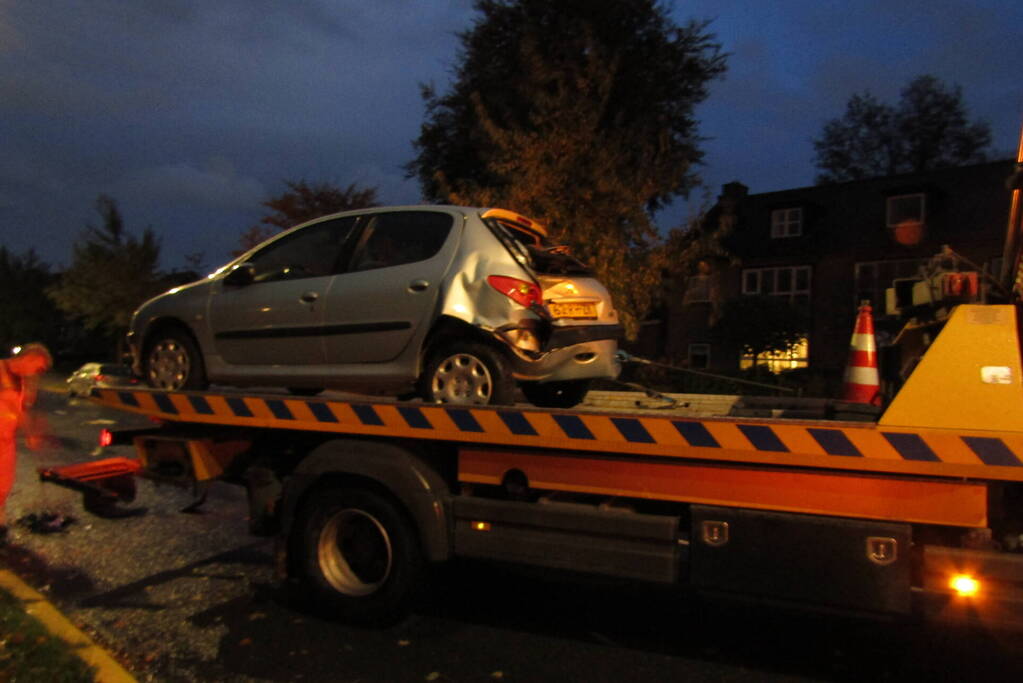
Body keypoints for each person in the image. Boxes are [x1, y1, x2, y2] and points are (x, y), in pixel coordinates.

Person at [0, 343, 53, 542]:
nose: (36, 373)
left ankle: (1, 526)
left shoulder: (21, 382)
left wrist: (32, 432)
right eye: (38, 368)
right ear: (29, 358)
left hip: (5, 440)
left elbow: (18, 410)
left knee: (2, 486)